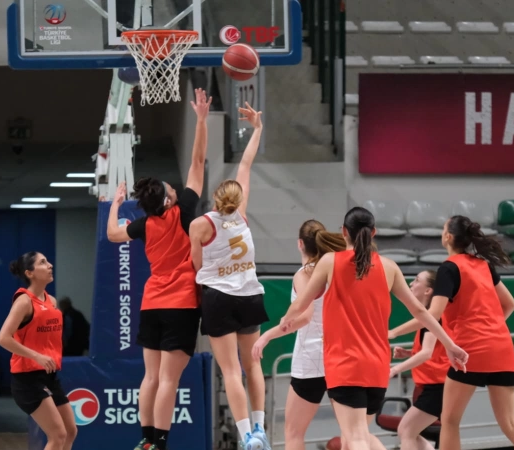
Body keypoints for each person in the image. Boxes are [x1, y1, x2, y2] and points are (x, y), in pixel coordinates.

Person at [277, 207, 468, 450]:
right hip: (377, 369)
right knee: (359, 437)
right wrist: (450, 345)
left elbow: (301, 304)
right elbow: (421, 312)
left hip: (345, 365)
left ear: (344, 232)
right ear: (374, 232)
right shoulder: (389, 267)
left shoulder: (330, 262)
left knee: (355, 439)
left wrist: (285, 319)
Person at [107, 88, 213, 450]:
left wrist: (115, 204)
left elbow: (112, 234)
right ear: (168, 198)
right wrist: (201, 120)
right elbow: (197, 163)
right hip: (181, 304)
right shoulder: (183, 211)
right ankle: (161, 443)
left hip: (151, 303)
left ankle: (146, 441)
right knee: (169, 381)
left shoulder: (144, 225)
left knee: (150, 378)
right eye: (170, 186)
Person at [387, 216, 514, 450]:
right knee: (510, 425)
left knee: (449, 421)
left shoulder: (449, 268)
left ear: (448, 237)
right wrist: (491, 329)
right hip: (502, 347)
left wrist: (393, 332)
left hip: (472, 350)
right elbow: (510, 305)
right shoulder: (484, 265)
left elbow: (432, 314)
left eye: (443, 229)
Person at [251, 220, 387, 450]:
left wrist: (266, 336)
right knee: (356, 434)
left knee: (293, 433)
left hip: (311, 360)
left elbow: (304, 316)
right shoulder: (339, 269)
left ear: (300, 244)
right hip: (342, 357)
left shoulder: (305, 274)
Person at [188, 102, 271, 450]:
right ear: (237, 200)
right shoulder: (242, 215)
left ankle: (246, 436)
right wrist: (257, 128)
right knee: (254, 366)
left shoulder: (200, 225)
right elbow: (246, 165)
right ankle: (261, 428)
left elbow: (196, 266)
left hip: (219, 297)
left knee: (231, 370)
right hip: (250, 293)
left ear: (214, 199)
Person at [0, 252, 77, 450]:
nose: (50, 265)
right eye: (43, 262)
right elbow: (3, 338)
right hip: (27, 379)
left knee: (70, 431)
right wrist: (36, 356)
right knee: (58, 435)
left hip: (49, 376)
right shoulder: (24, 301)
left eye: (48, 261)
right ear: (30, 273)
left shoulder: (52, 301)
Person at [388, 270, 451, 450]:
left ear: (428, 291)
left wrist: (395, 369)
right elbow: (435, 351)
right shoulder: (429, 318)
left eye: (416, 281)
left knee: (406, 431)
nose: (410, 284)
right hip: (435, 385)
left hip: (439, 387)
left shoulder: (432, 318)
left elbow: (427, 353)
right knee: (409, 432)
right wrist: (410, 353)